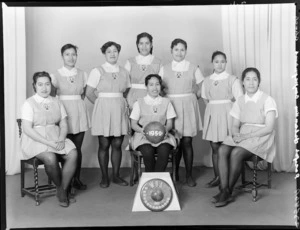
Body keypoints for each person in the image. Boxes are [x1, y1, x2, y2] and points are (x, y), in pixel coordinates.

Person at [212, 67, 278, 207]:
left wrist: (246, 136)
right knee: (222, 149)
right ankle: (224, 190)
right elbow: (235, 125)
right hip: (243, 134)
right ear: (243, 82)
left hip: (261, 136)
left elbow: (269, 128)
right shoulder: (240, 100)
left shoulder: (267, 99)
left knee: (236, 152)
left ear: (259, 82)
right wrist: (236, 135)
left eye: (254, 79)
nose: (251, 82)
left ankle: (226, 193)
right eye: (247, 79)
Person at [21, 71, 78, 207]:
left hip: (56, 136)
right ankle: (62, 189)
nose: (44, 88)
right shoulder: (29, 103)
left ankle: (62, 189)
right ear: (34, 86)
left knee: (73, 153)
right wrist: (48, 143)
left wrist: (61, 139)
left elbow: (64, 124)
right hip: (35, 139)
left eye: (47, 84)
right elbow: (27, 129)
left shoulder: (57, 101)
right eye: (40, 84)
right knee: (50, 157)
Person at [159, 38, 204, 187]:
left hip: (188, 106)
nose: (179, 52)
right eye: (176, 49)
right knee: (175, 141)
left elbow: (202, 87)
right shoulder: (164, 68)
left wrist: (192, 98)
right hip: (171, 106)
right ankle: (175, 173)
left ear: (186, 51)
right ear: (171, 50)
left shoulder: (193, 68)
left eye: (182, 49)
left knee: (187, 141)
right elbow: (158, 89)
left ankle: (189, 175)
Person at [86, 41, 130, 188]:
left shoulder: (124, 71)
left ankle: (116, 175)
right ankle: (104, 177)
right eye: (109, 51)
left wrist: (119, 103)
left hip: (119, 108)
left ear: (119, 53)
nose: (112, 54)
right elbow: (89, 93)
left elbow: (126, 91)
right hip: (103, 109)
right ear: (104, 54)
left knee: (117, 143)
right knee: (104, 144)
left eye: (115, 51)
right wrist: (100, 105)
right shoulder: (97, 71)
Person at [50, 43, 90, 191]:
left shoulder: (83, 74)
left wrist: (76, 105)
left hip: (79, 112)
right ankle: (65, 181)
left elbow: (83, 94)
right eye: (67, 54)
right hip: (63, 112)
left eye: (74, 54)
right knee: (64, 149)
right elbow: (53, 97)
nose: (71, 57)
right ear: (62, 56)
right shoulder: (55, 75)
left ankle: (76, 179)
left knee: (77, 149)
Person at [202, 51, 243, 188]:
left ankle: (227, 179)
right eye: (216, 61)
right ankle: (217, 177)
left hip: (227, 113)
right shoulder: (207, 80)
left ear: (226, 63)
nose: (219, 64)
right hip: (212, 113)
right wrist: (212, 110)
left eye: (222, 61)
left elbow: (240, 100)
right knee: (214, 146)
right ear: (212, 63)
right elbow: (204, 97)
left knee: (227, 146)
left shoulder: (232, 79)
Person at [130, 74, 177, 172]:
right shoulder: (139, 103)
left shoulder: (166, 102)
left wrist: (165, 130)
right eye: (151, 85)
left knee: (164, 151)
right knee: (148, 152)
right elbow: (133, 124)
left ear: (160, 86)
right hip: (143, 136)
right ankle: (149, 179)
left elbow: (169, 123)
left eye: (157, 84)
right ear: (146, 86)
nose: (155, 87)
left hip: (163, 135)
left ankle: (158, 178)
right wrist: (141, 130)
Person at [125, 32, 162, 109]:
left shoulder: (158, 62)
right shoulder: (130, 62)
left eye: (147, 43)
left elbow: (162, 84)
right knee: (134, 119)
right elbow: (125, 83)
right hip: (133, 97)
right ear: (137, 45)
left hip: (152, 96)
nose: (144, 46)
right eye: (141, 43)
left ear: (151, 45)